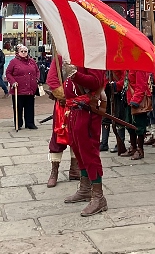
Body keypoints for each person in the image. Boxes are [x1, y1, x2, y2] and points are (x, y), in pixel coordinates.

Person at [58, 61, 109, 216]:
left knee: (89, 152)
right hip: (74, 109)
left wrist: (75, 75)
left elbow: (96, 81)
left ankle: (98, 196)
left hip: (87, 110)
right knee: (78, 150)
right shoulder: (74, 54)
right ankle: (85, 188)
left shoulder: (92, 55)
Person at [45, 54, 81, 188]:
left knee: (76, 136)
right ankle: (54, 172)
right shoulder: (61, 57)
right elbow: (52, 79)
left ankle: (75, 169)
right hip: (62, 105)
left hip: (79, 103)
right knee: (58, 138)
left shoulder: (82, 56)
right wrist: (64, 95)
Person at [121, 70, 153, 160]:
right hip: (129, 99)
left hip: (138, 101)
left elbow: (141, 86)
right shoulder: (128, 67)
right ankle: (133, 147)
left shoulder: (139, 68)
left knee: (139, 127)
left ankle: (140, 150)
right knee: (129, 125)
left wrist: (136, 100)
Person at [6, 45, 40, 130]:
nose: (24, 53)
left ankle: (30, 123)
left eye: (25, 51)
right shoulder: (14, 62)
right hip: (18, 88)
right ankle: (18, 123)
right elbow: (8, 73)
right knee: (18, 107)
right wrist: (13, 82)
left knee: (30, 106)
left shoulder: (32, 61)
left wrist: (36, 79)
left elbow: (37, 71)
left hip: (30, 88)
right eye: (22, 51)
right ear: (18, 52)